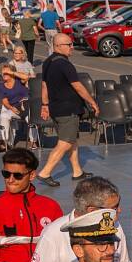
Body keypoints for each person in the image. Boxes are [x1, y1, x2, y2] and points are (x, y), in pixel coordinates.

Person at [26, 177, 132, 262]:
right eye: (114, 208)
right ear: (92, 211)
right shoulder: (54, 234)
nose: (120, 211)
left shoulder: (115, 226)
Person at [36, 35, 99, 187]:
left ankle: (77, 172)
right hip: (68, 110)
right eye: (69, 44)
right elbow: (77, 86)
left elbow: (44, 85)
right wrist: (92, 102)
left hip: (56, 109)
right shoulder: (65, 64)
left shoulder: (48, 62)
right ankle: (45, 173)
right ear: (58, 46)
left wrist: (45, 105)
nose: (72, 47)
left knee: (72, 141)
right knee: (65, 142)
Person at [0, 64, 29, 151]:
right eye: (3, 73)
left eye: (6, 72)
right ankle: (4, 141)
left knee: (31, 119)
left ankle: (33, 141)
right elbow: (5, 101)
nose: (4, 74)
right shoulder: (2, 86)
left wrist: (11, 72)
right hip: (15, 109)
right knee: (4, 115)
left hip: (27, 107)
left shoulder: (19, 81)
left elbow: (26, 77)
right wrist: (11, 108)